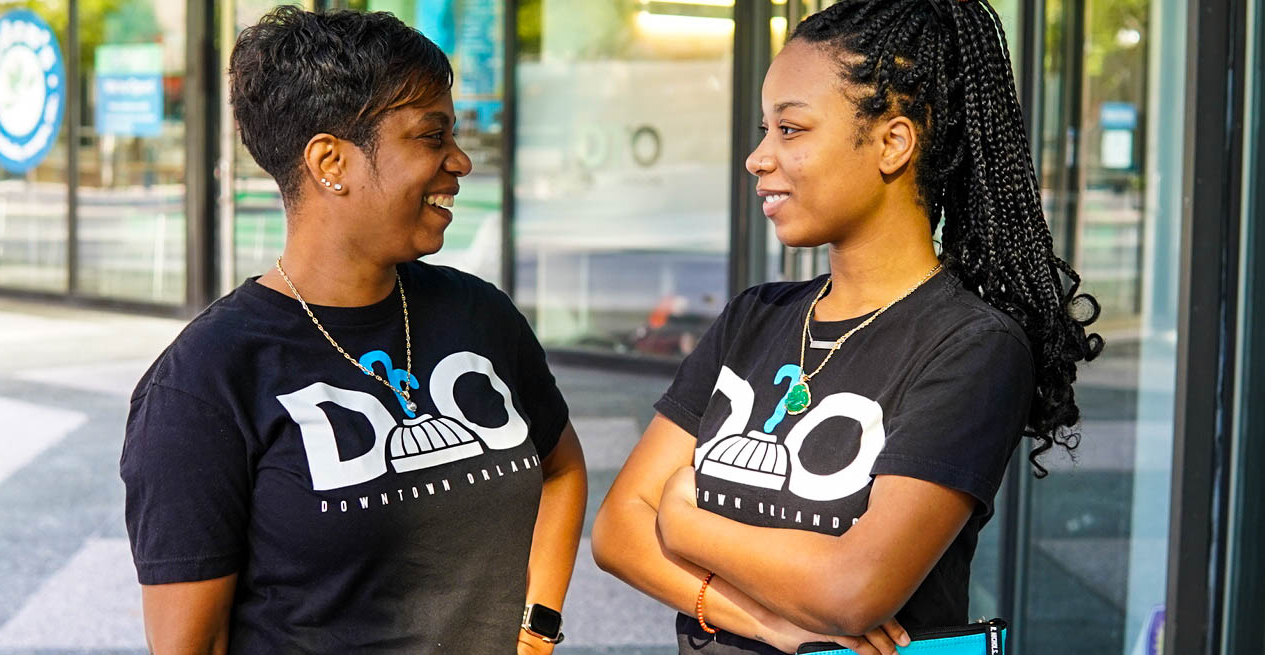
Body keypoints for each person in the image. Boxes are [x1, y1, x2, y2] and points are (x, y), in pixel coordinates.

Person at [591, 1, 1102, 653]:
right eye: (764, 129)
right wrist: (770, 623)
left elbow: (854, 588)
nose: (758, 157)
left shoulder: (973, 346)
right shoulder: (756, 317)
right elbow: (615, 531)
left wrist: (682, 516)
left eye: (791, 130)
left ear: (892, 142)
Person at [119, 7, 587, 654]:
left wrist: (536, 630)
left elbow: (560, 466)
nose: (460, 160)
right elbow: (190, 643)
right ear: (330, 161)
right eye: (431, 135)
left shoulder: (480, 315)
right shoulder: (203, 383)